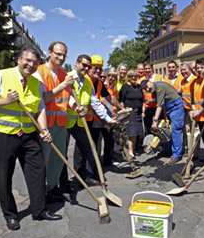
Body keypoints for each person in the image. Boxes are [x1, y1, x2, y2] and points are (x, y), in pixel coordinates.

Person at [0, 47, 62, 230]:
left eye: (35, 62)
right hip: (2, 134)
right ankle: (10, 215)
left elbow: (40, 108)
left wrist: (43, 129)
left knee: (38, 168)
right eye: (28, 60)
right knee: (4, 175)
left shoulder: (36, 83)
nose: (31, 65)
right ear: (19, 59)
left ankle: (39, 210)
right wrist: (5, 101)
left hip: (28, 135)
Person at [33, 41, 76, 203]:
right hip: (45, 123)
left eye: (64, 55)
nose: (61, 57)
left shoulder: (64, 74)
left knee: (58, 159)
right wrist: (63, 85)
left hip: (60, 122)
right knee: (43, 159)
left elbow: (68, 96)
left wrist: (74, 105)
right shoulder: (39, 72)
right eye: (58, 54)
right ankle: (40, 192)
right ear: (49, 53)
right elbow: (43, 98)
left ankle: (52, 188)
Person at [67, 55, 118, 186]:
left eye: (90, 66)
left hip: (83, 121)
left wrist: (108, 118)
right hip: (65, 121)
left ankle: (86, 177)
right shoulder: (69, 77)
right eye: (87, 66)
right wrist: (74, 106)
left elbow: (95, 102)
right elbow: (66, 96)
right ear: (77, 64)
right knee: (63, 153)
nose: (96, 70)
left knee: (89, 147)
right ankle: (63, 184)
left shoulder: (88, 82)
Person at [140, 80, 184, 163]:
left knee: (175, 129)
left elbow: (159, 106)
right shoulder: (154, 90)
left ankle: (177, 154)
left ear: (150, 82)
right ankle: (168, 150)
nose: (147, 89)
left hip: (176, 106)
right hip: (169, 107)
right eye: (145, 89)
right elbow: (163, 104)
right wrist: (166, 116)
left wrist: (155, 121)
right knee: (166, 129)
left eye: (147, 86)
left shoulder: (160, 87)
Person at [118, 70, 145, 158]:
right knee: (132, 132)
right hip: (130, 113)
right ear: (128, 78)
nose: (133, 78)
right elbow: (121, 100)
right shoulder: (125, 87)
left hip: (138, 113)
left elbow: (142, 100)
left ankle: (133, 150)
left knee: (137, 132)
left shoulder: (139, 87)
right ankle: (130, 152)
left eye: (135, 76)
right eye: (131, 76)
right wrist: (123, 112)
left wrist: (143, 111)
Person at [178, 62, 200, 159]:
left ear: (190, 70)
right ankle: (190, 150)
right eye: (181, 70)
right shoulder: (182, 82)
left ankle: (195, 152)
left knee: (195, 131)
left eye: (185, 69)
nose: (183, 72)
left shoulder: (195, 80)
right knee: (187, 131)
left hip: (193, 109)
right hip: (185, 110)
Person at [142, 62, 163, 135]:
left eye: (149, 68)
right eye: (146, 69)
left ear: (152, 68)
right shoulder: (142, 79)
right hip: (147, 106)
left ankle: (160, 144)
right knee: (148, 127)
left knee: (159, 126)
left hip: (157, 105)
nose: (147, 70)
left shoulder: (159, 77)